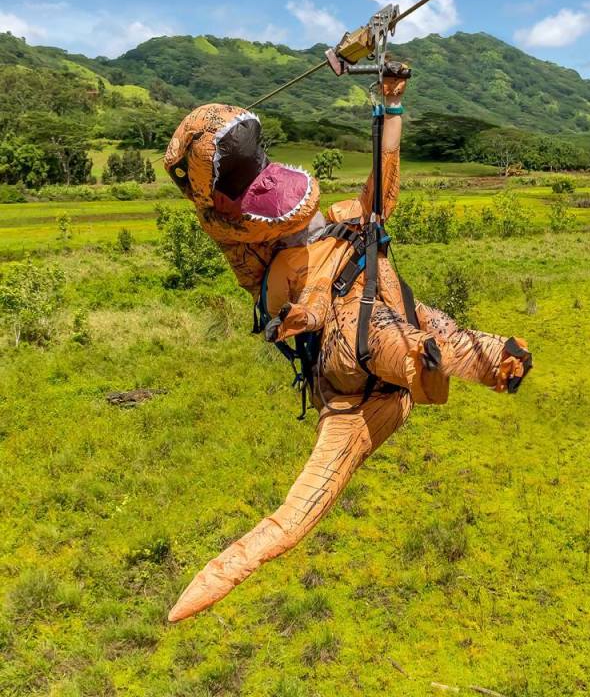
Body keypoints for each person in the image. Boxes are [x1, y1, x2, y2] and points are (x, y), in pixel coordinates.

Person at [163, 73, 533, 621]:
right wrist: (297, 317)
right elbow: (295, 308)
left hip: (398, 337)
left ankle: (485, 362)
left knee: (423, 319)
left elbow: (383, 190)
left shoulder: (344, 221)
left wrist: (391, 106)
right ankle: (421, 371)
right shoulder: (271, 265)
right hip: (350, 376)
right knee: (365, 333)